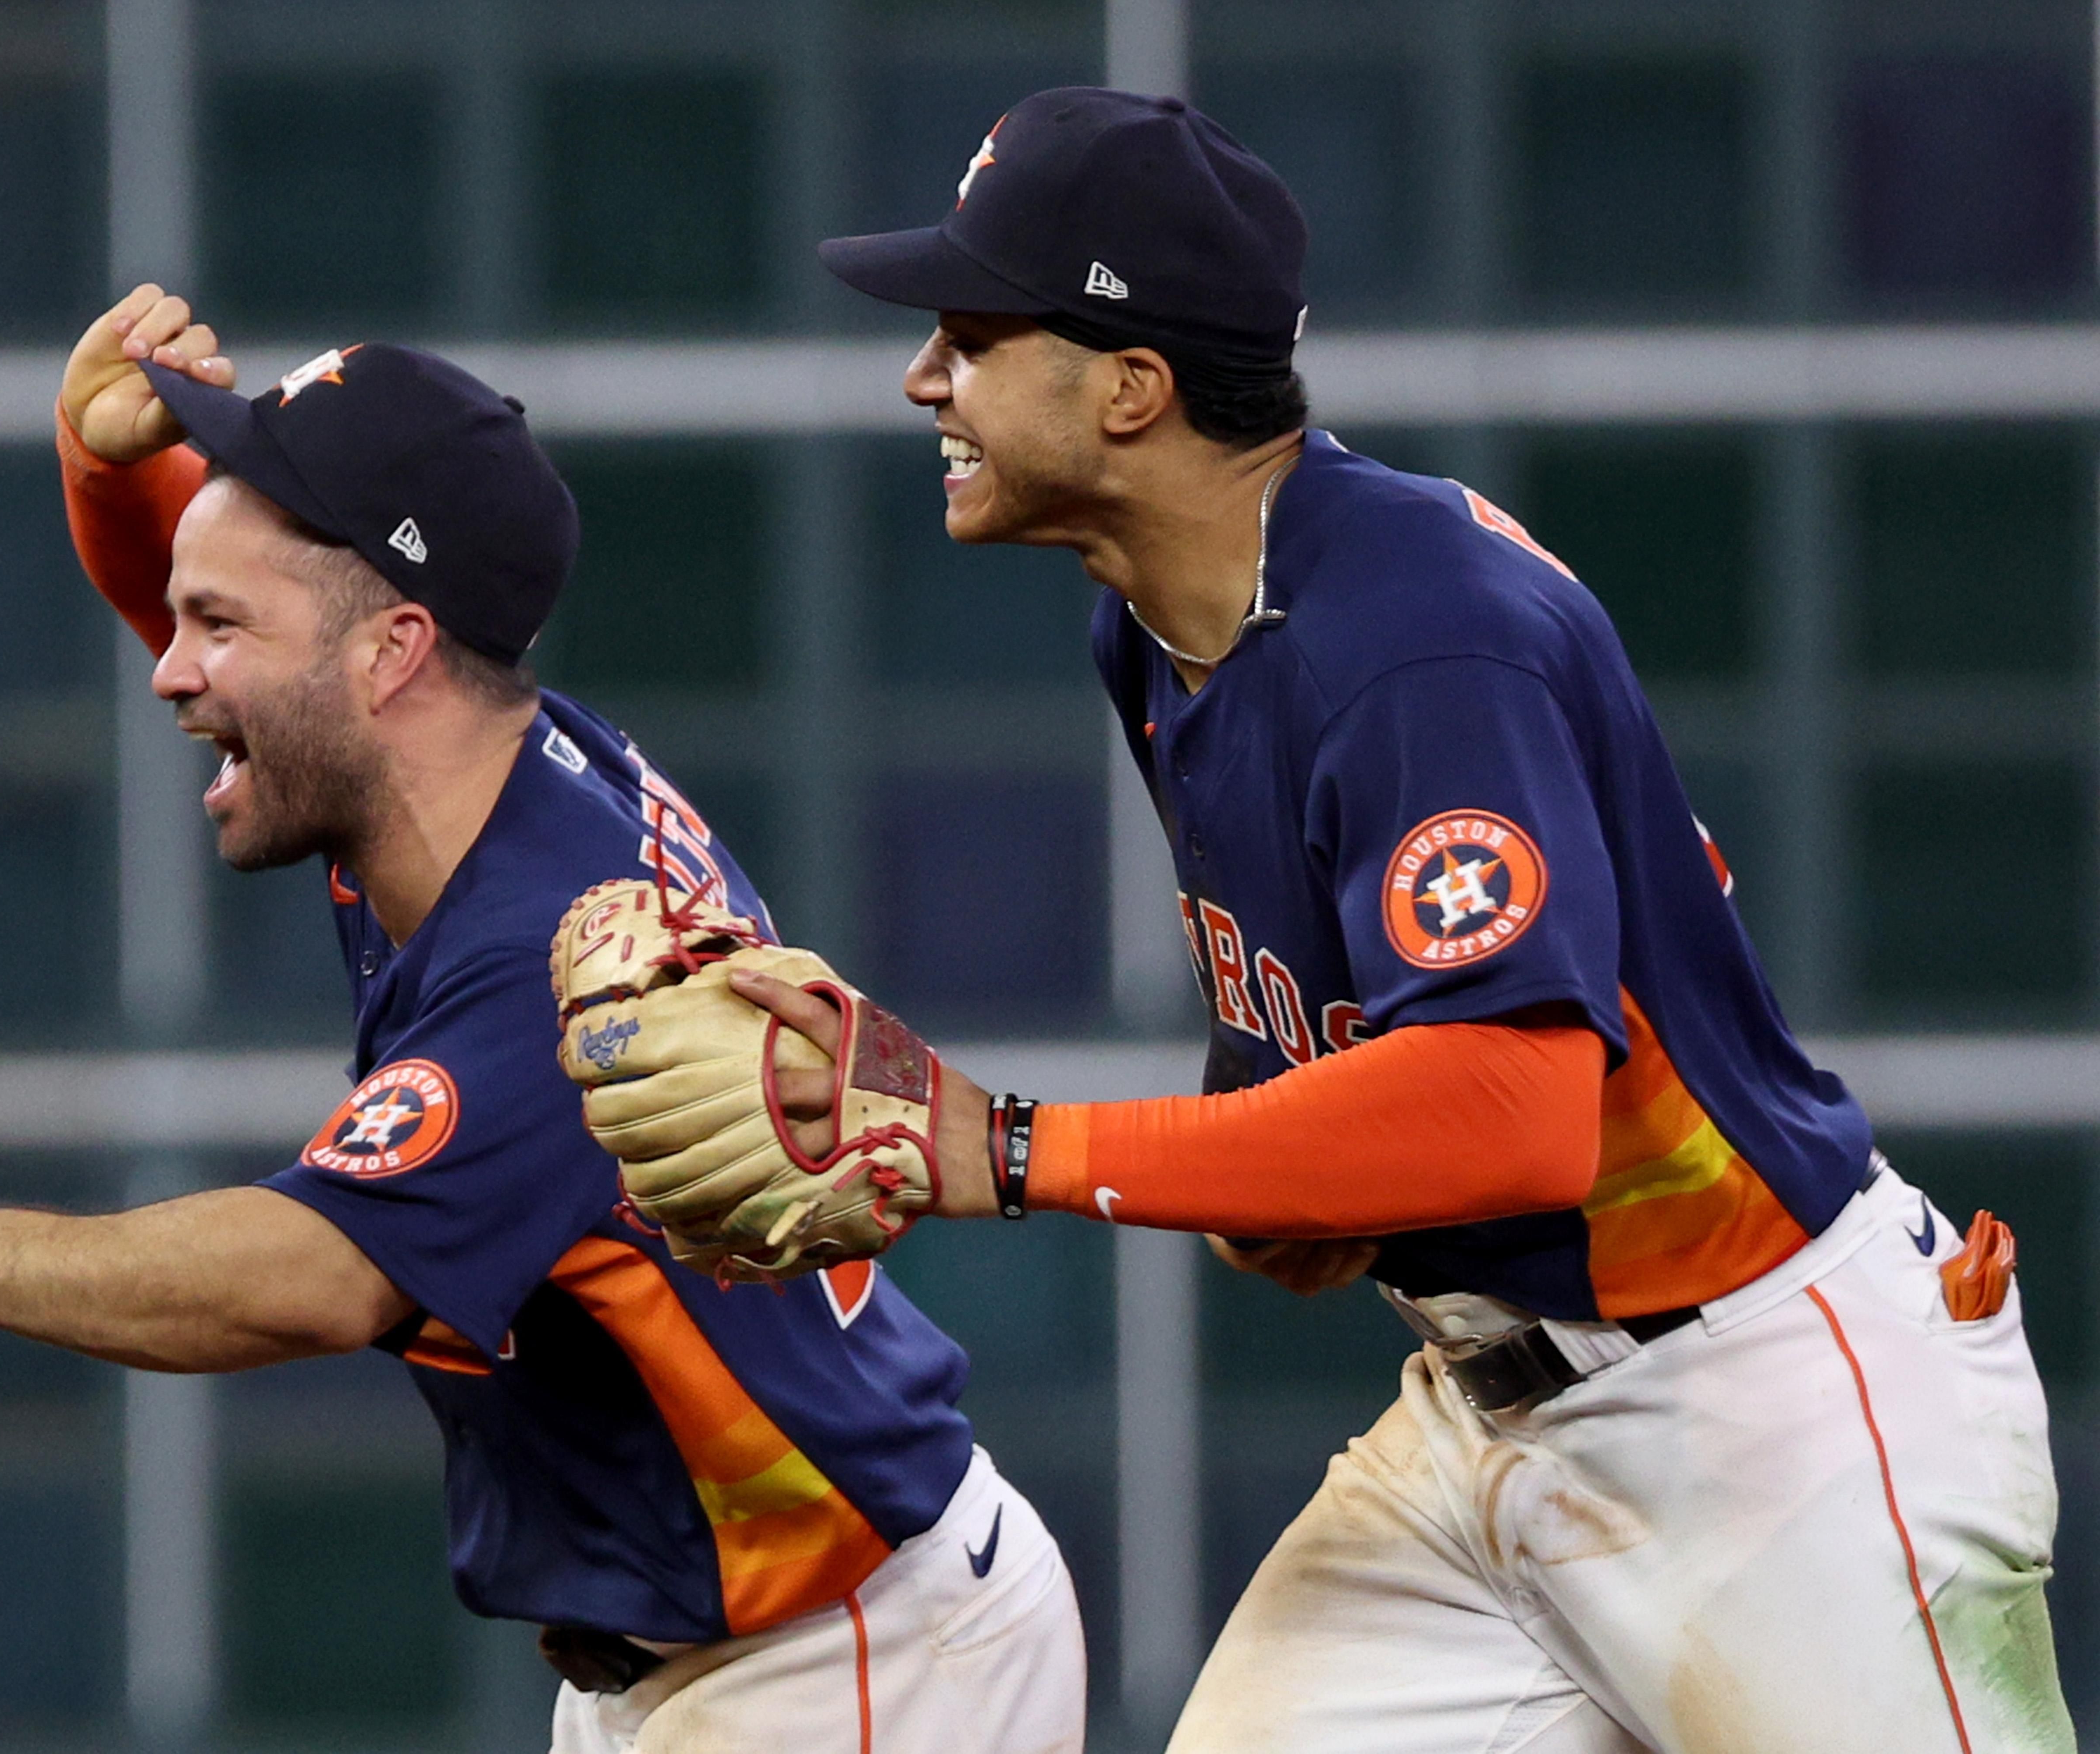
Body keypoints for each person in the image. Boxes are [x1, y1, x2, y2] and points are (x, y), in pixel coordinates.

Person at [588, 88, 2075, 1752]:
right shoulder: (1160, 631)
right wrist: (1193, 1174)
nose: (926, 377)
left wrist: (999, 1145)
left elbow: (1514, 1119)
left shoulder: (1417, 632)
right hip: (1481, 1433)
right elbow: (1315, 1131)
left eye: (971, 332)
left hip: (1774, 1419)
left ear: (1133, 388)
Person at [0, 286, 1086, 1754]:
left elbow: (313, 1281)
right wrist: (101, 466)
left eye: (215, 621)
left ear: (394, 651)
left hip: (853, 1669)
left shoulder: (565, 967)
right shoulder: (473, 769)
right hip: (725, 1645)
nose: (170, 665)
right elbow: (271, 685)